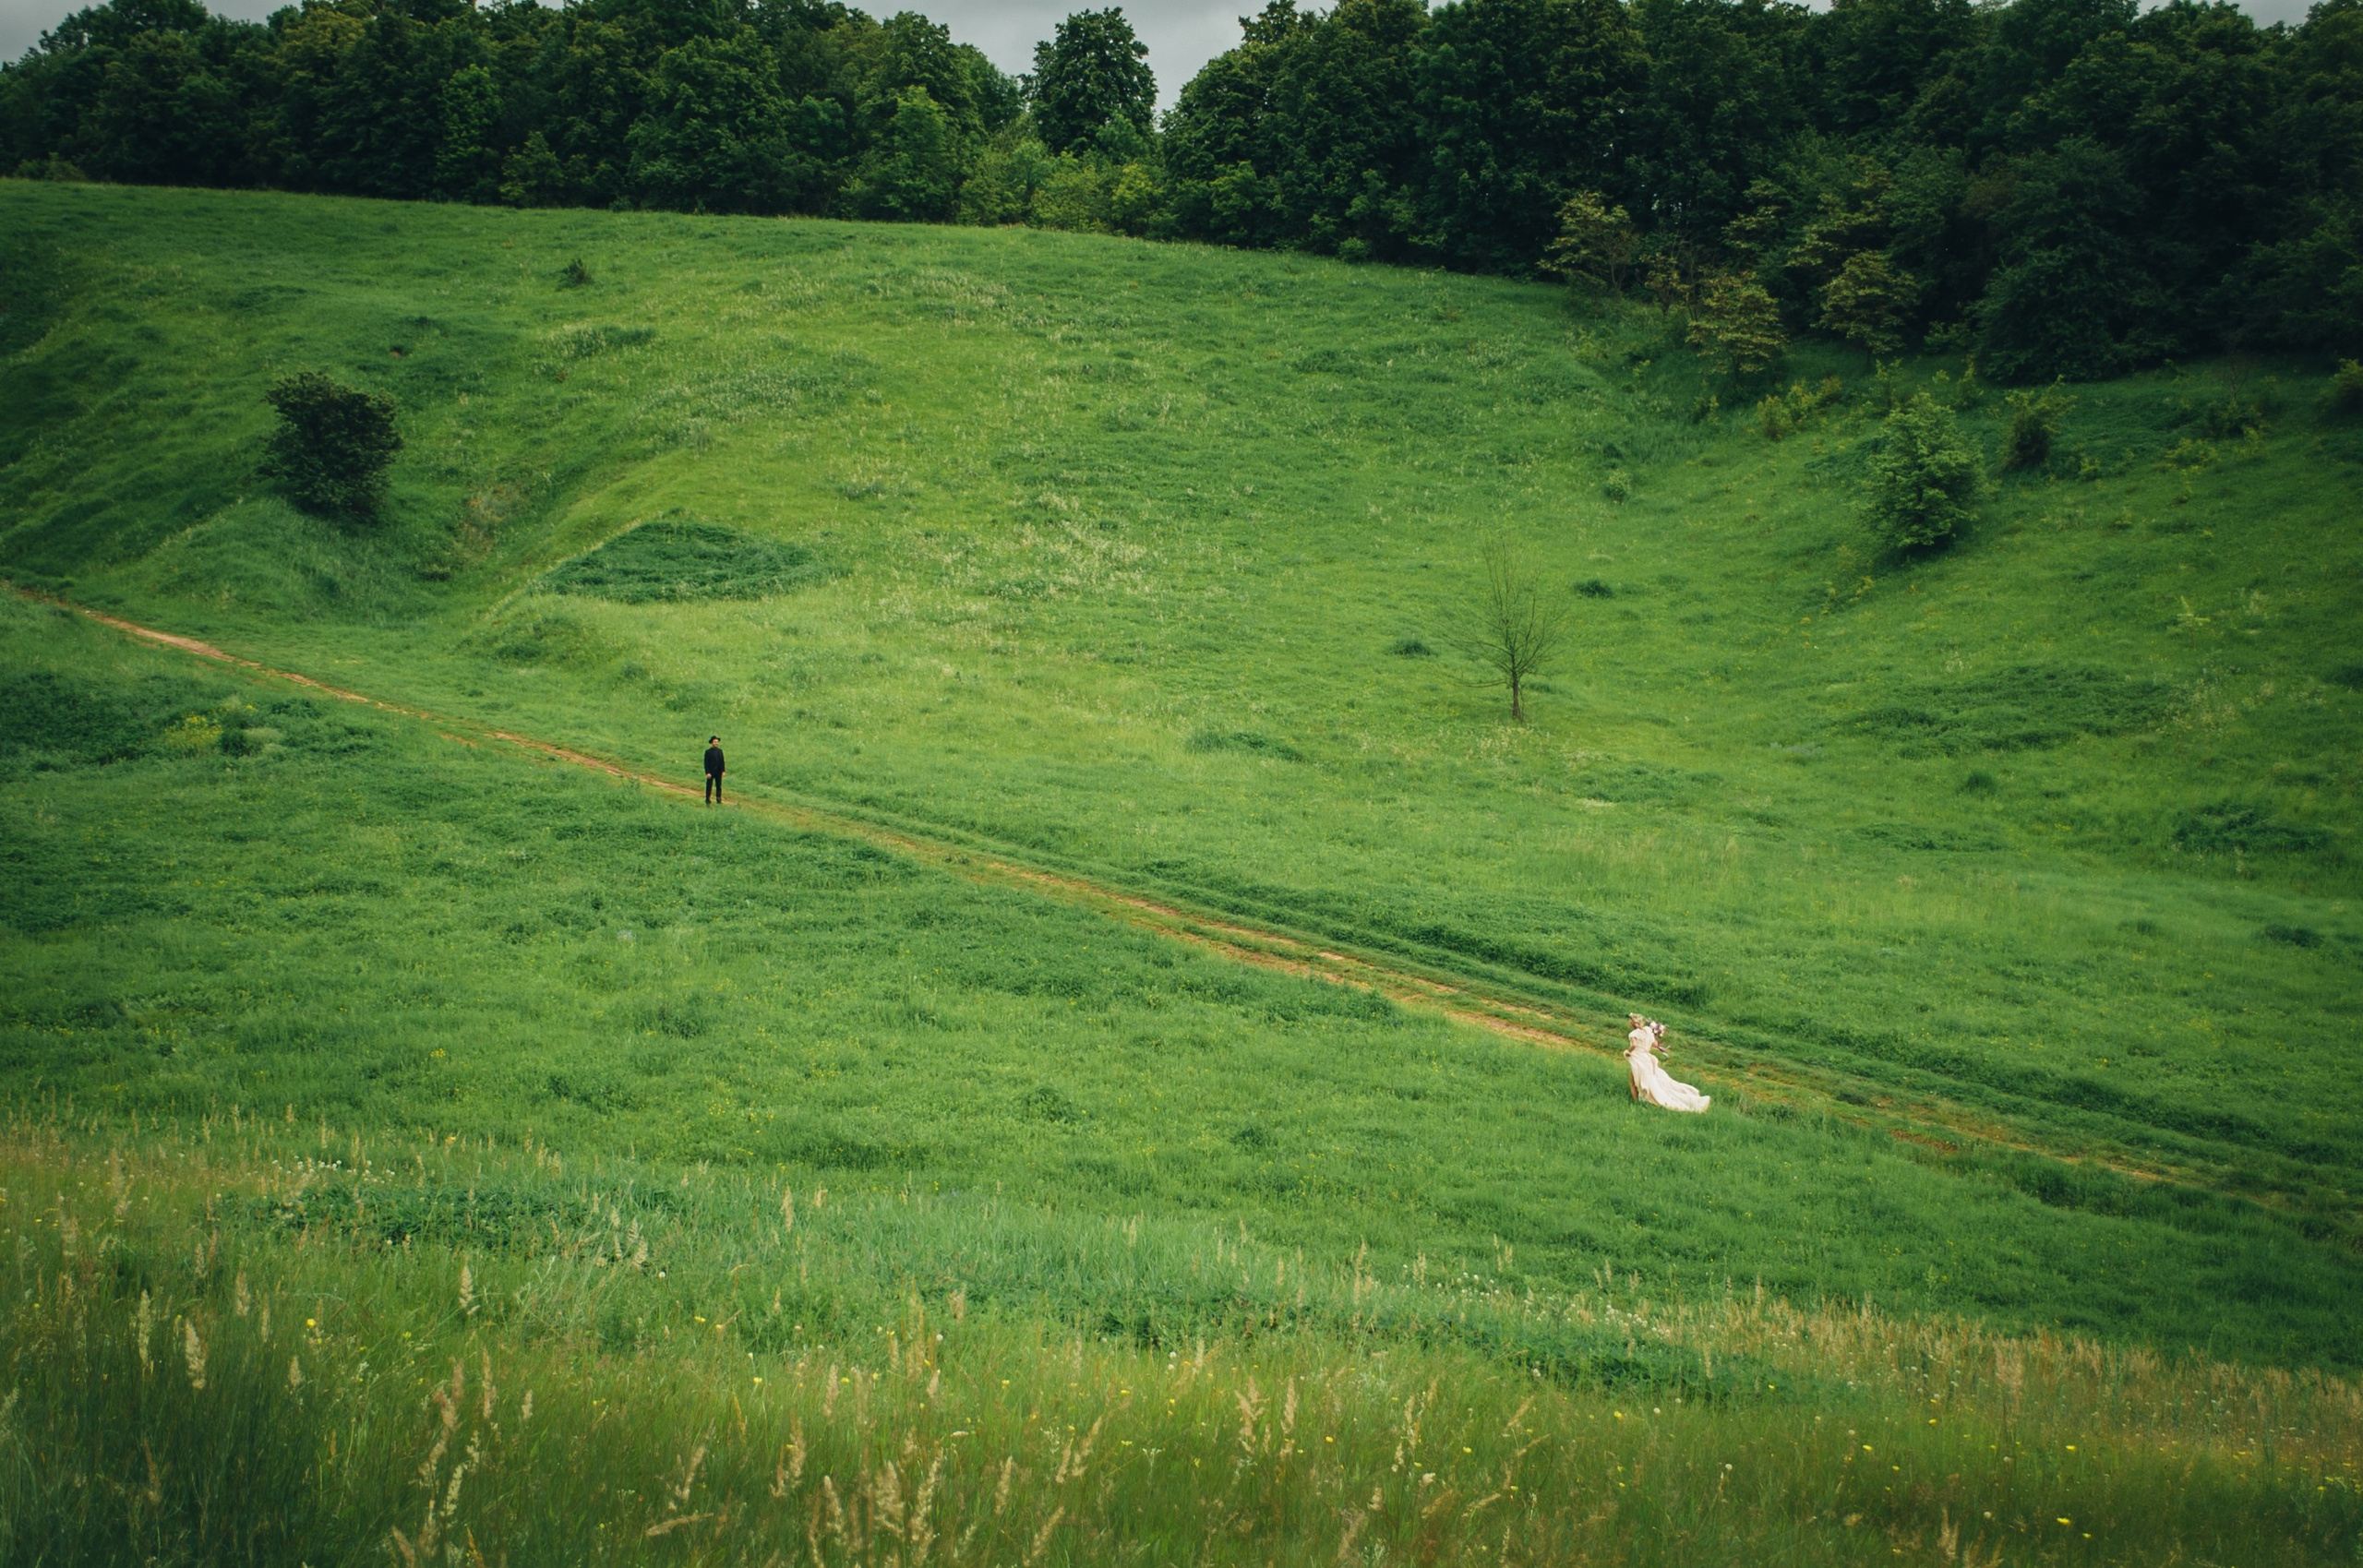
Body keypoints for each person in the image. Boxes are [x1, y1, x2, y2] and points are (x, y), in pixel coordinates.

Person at [1625, 1013, 1710, 1113]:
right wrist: (1659, 1047)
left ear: (1631, 1023)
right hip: (1648, 1059)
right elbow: (1654, 1044)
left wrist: (1628, 1051)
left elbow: (1634, 1045)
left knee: (1633, 1082)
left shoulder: (1633, 1034)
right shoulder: (1648, 1031)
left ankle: (1637, 1102)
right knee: (1652, 1080)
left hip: (1639, 1060)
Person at [703, 736, 725, 804]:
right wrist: (707, 772)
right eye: (715, 742)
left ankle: (718, 799)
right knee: (709, 786)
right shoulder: (708, 752)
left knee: (719, 786)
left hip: (718, 772)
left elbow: (722, 761)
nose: (716, 743)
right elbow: (706, 763)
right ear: (712, 743)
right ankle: (707, 799)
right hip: (711, 772)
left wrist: (723, 771)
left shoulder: (720, 751)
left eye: (717, 742)